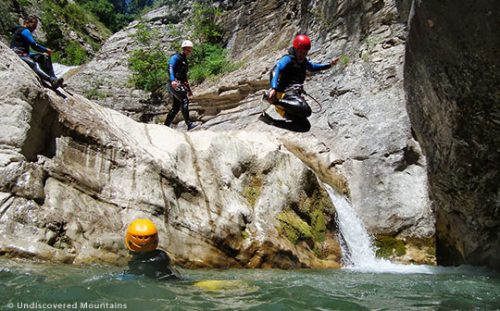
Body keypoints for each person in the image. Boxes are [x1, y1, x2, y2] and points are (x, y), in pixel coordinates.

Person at [264, 34, 340, 120]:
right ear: (295, 49)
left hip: (291, 98)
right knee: (306, 110)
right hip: (284, 94)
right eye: (301, 52)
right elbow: (276, 69)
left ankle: (269, 120)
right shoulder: (288, 59)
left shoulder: (303, 61)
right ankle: (274, 101)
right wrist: (274, 87)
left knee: (304, 126)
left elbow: (312, 67)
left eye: (305, 52)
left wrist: (330, 64)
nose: (303, 55)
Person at [10, 15, 63, 89]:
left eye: (36, 25)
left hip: (23, 53)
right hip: (19, 54)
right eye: (34, 24)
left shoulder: (19, 30)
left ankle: (54, 79)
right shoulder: (24, 30)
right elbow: (34, 45)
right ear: (27, 22)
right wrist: (46, 50)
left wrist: (41, 53)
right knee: (33, 64)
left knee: (44, 57)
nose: (34, 27)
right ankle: (51, 80)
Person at [164, 40, 197, 130]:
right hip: (174, 83)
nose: (189, 52)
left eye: (190, 50)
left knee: (176, 106)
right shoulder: (176, 57)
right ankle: (189, 124)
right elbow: (170, 68)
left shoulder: (184, 61)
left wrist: (189, 89)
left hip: (179, 83)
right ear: (184, 49)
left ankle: (165, 126)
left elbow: (184, 77)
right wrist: (172, 80)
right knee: (184, 100)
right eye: (188, 50)